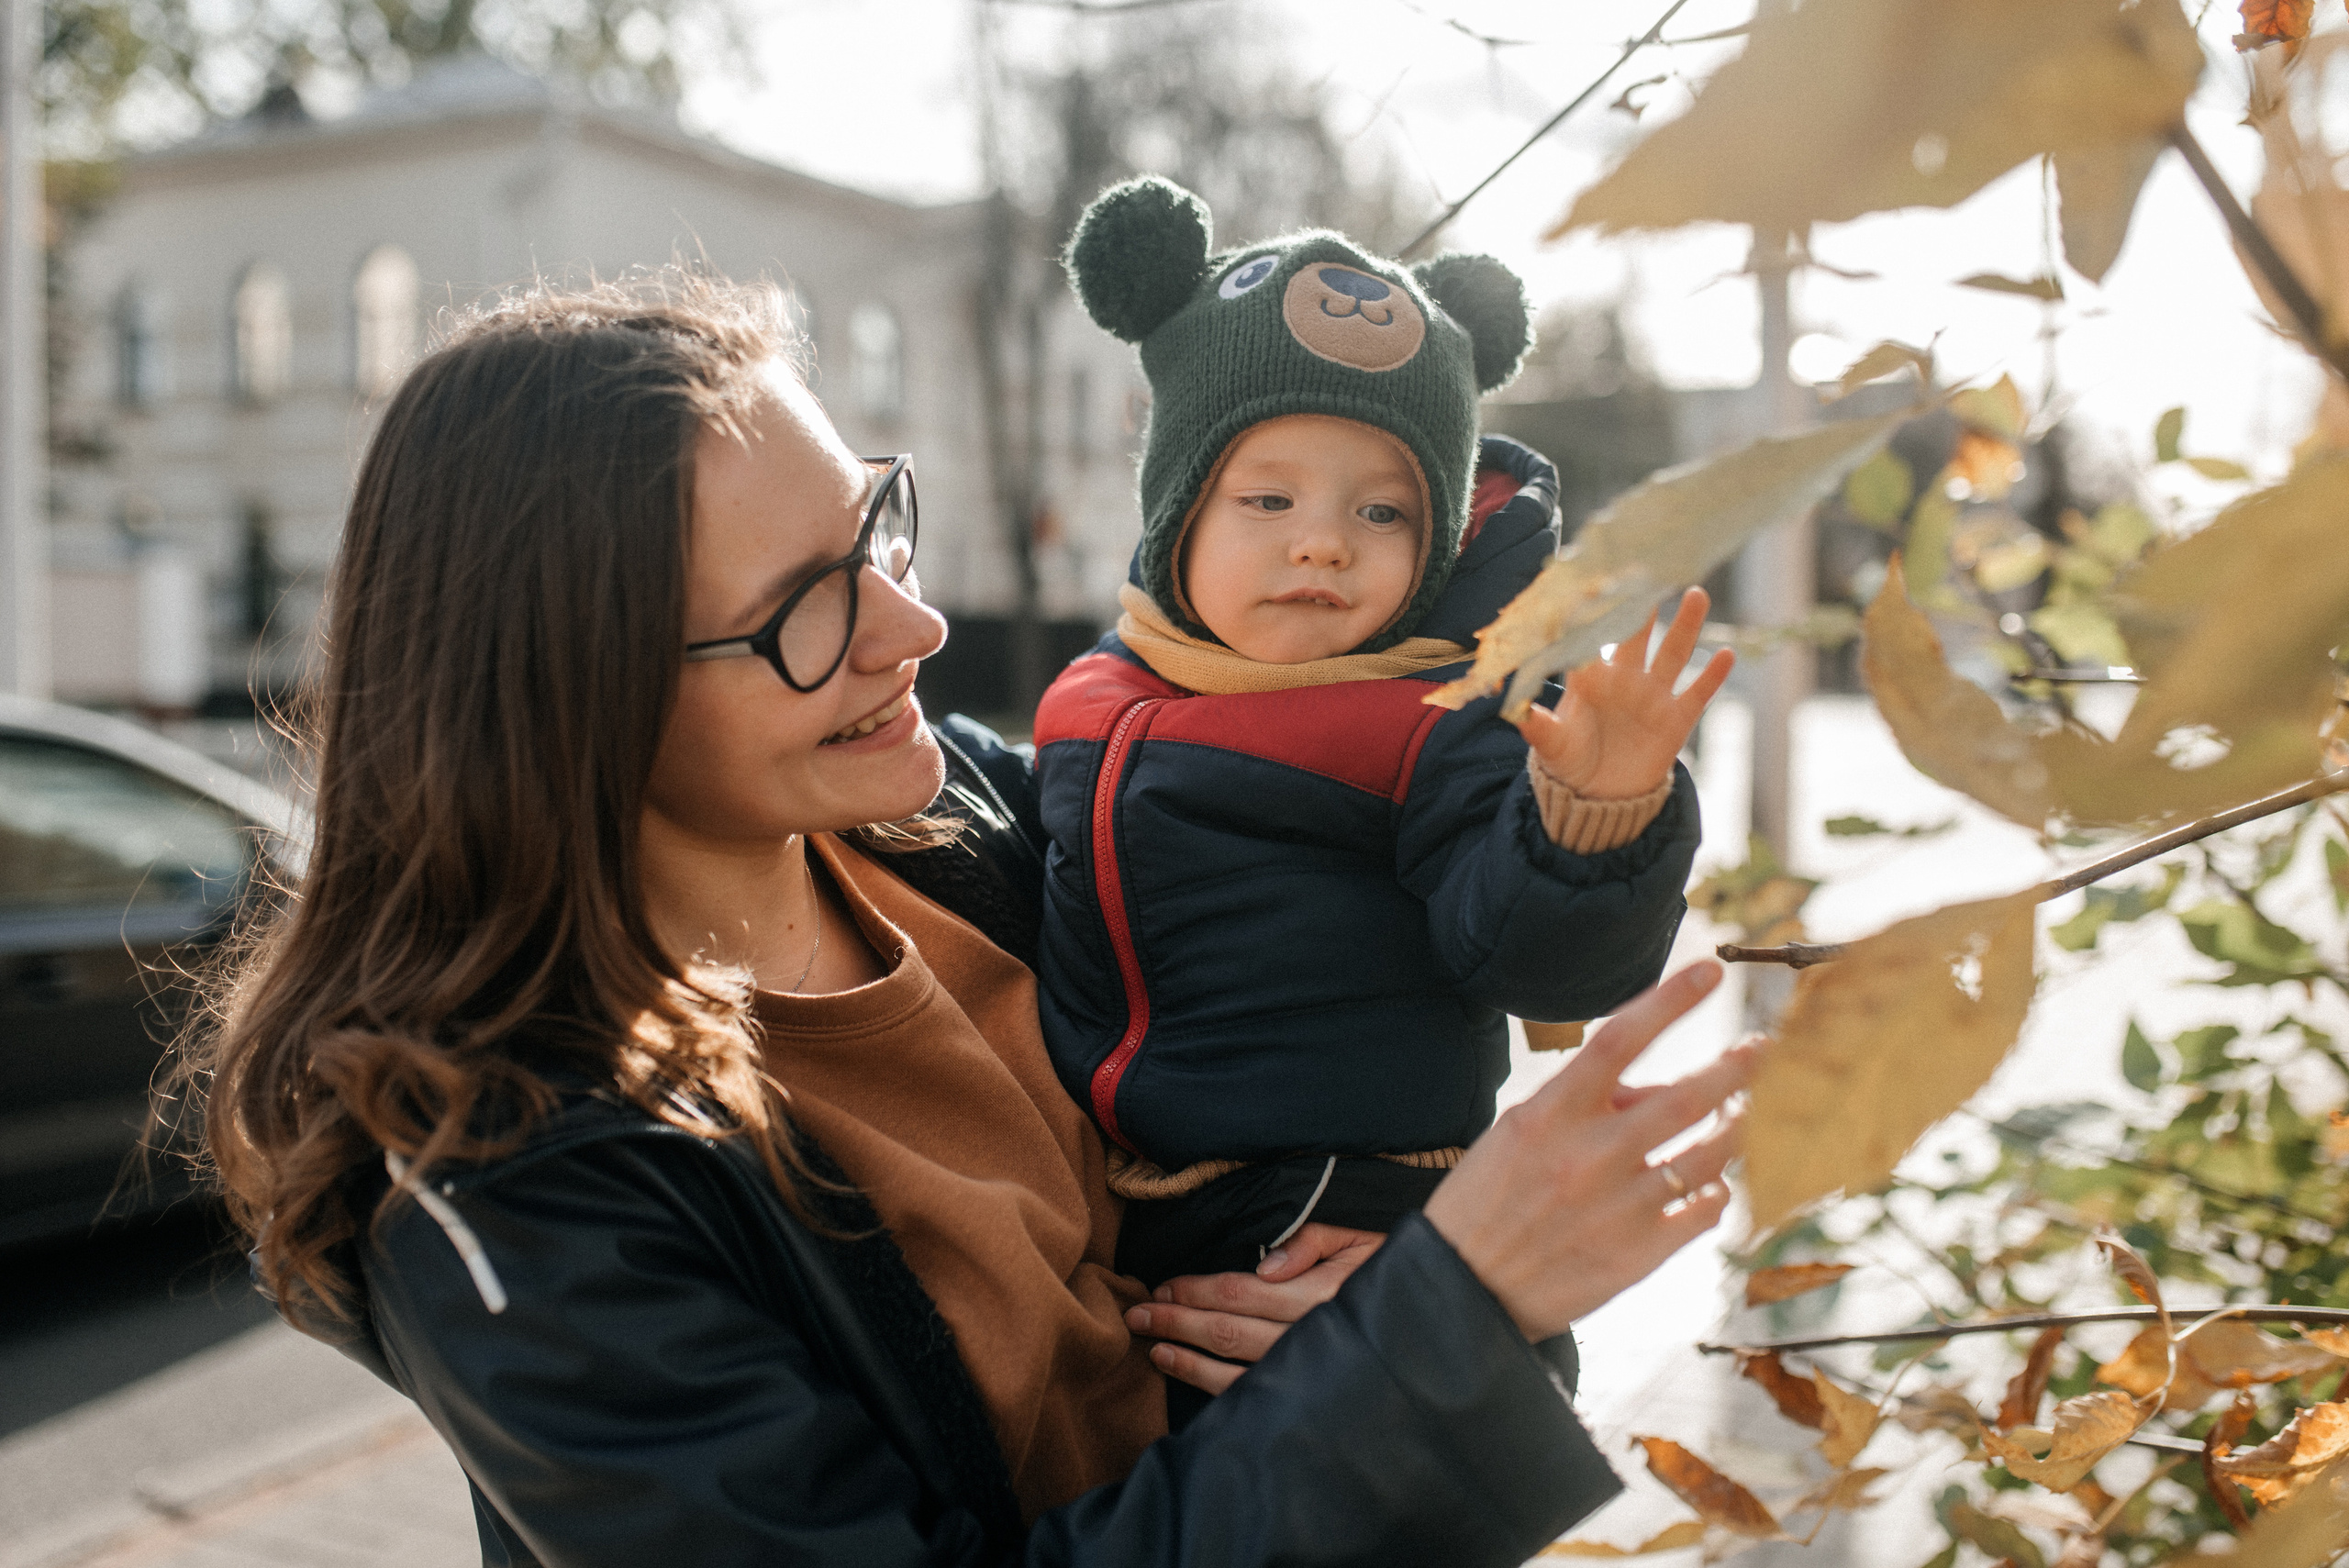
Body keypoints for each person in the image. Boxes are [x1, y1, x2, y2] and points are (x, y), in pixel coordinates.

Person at [177, 272, 1755, 1568]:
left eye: (880, 525)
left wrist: (1418, 1298)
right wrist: (1438, 1326)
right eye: (810, 606)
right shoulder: (521, 1185)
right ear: (571, 698)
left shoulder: (992, 826)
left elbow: (1372, 1149)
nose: (915, 621)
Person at [1038, 178, 1736, 1314]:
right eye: (1267, 499)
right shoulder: (1092, 692)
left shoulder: (1434, 721)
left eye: (1382, 513)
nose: (1323, 544)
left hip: (1339, 1206)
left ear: (1440, 538)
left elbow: (1530, 954)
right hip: (1140, 1196)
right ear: (1176, 512)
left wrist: (1593, 812)